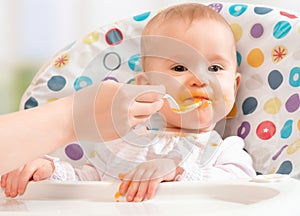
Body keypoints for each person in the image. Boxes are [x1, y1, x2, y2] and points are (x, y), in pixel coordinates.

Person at [1, 3, 256, 201]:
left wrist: (177, 173)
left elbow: (242, 189)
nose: (199, 79)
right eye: (179, 67)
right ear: (146, 86)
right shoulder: (123, 144)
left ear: (234, 86)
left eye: (214, 67)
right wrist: (48, 170)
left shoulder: (224, 150)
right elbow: (89, 183)